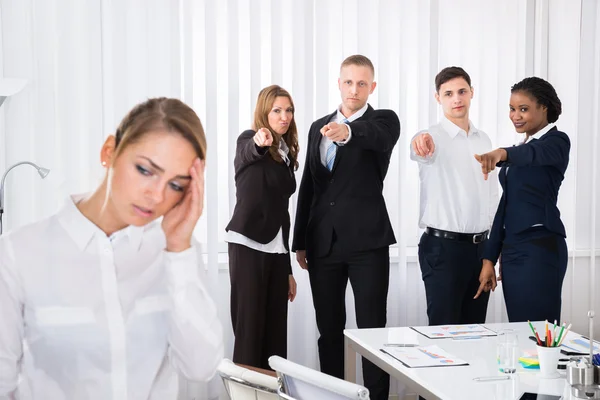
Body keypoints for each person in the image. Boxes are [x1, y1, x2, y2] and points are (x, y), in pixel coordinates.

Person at [0, 98, 223, 399]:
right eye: (145, 170)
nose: (156, 195)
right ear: (109, 152)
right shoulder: (18, 253)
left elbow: (201, 367)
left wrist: (179, 249)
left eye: (176, 185)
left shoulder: (176, 254)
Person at [292, 55, 400, 400]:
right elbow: (309, 185)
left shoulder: (383, 121)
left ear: (372, 87)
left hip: (368, 244)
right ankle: (333, 396)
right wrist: (300, 241)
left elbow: (377, 139)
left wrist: (348, 131)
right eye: (349, 82)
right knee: (329, 331)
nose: (355, 89)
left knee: (372, 331)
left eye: (362, 83)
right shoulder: (316, 127)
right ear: (339, 83)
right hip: (323, 243)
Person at [474, 77, 570, 323]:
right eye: (512, 109)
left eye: (523, 109)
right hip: (513, 250)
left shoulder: (556, 142)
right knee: (520, 330)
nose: (515, 115)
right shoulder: (521, 147)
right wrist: (489, 258)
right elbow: (505, 206)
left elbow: (532, 155)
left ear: (543, 108)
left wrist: (502, 153)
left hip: (540, 247)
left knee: (539, 334)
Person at [410, 66, 498, 326]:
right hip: (442, 250)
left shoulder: (484, 140)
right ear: (438, 98)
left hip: (481, 249)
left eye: (462, 92)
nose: (456, 99)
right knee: (444, 330)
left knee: (475, 330)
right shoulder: (430, 137)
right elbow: (419, 147)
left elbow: (491, 196)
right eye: (448, 94)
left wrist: (491, 253)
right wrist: (419, 142)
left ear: (472, 93)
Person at [225, 85, 298, 370]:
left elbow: (283, 212)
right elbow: (248, 151)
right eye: (277, 110)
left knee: (275, 336)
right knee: (250, 333)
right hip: (248, 246)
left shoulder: (285, 153)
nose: (284, 116)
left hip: (277, 252)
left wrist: (289, 268)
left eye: (289, 110)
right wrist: (259, 141)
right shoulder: (249, 140)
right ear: (264, 113)